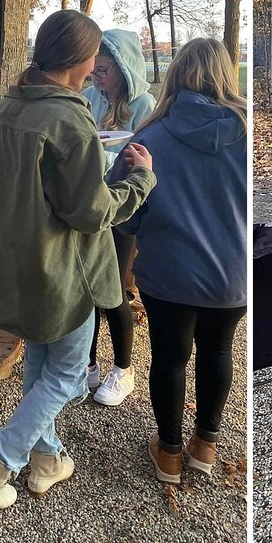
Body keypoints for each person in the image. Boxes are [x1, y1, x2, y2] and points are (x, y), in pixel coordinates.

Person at [0, 10, 156, 508]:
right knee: (68, 375)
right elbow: (91, 213)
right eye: (93, 55)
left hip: (13, 267)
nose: (96, 65)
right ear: (80, 60)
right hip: (63, 273)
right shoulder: (69, 117)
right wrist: (139, 181)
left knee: (42, 361)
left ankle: (46, 459)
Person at [115, 38, 246, 484]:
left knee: (170, 358)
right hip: (232, 274)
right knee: (218, 349)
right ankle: (205, 446)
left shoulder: (149, 136)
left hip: (169, 273)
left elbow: (122, 211)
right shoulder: (247, 130)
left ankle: (169, 451)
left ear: (175, 75)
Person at [84, 29, 155, 406]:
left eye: (104, 71)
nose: (97, 77)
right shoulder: (89, 98)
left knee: (113, 290)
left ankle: (123, 370)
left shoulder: (145, 106)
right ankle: (90, 363)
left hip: (125, 207)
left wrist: (106, 155)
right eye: (93, 71)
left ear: (124, 68)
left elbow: (143, 160)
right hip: (91, 202)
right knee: (88, 289)